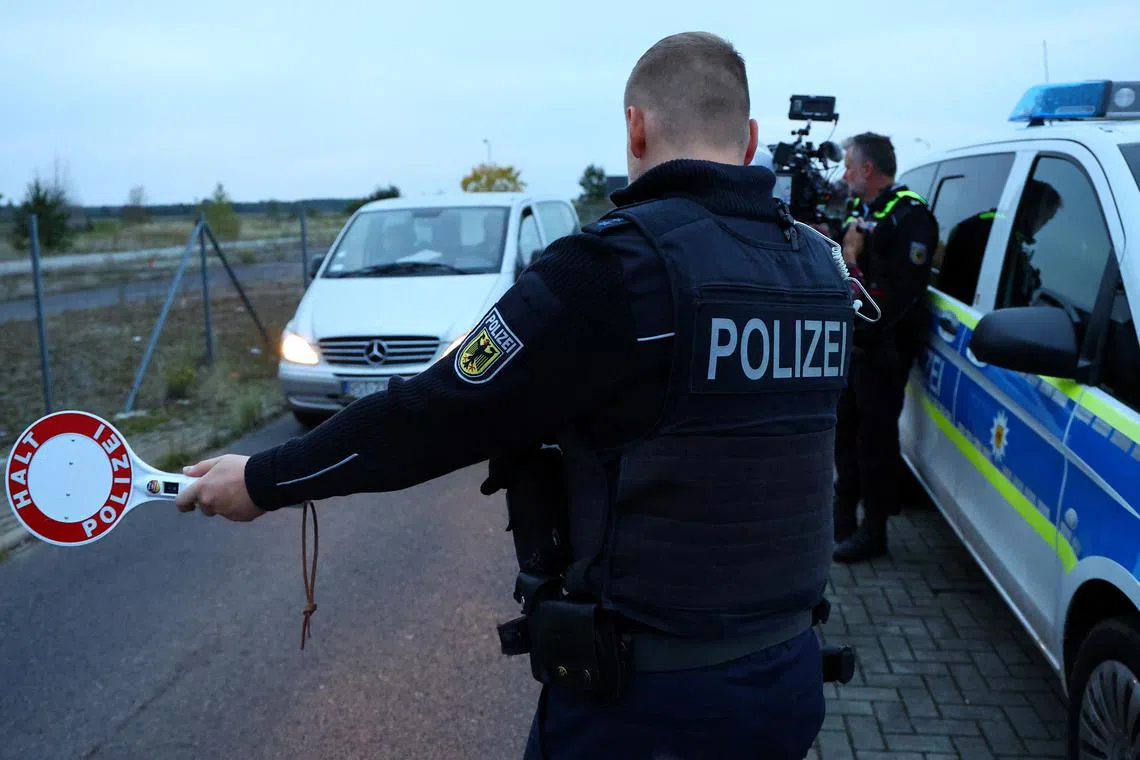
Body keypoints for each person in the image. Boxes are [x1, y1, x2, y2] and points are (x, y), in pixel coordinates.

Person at [175, 31, 855, 760]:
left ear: (635, 127)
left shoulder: (612, 268)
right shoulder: (820, 268)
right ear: (750, 139)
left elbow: (436, 414)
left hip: (649, 708)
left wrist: (264, 477)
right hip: (788, 685)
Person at [831, 132, 939, 564]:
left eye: (848, 166)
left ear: (868, 170)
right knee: (844, 434)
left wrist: (852, 256)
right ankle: (842, 520)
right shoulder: (863, 209)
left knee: (874, 442)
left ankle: (873, 532)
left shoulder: (911, 217)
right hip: (854, 347)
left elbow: (893, 298)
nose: (844, 174)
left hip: (883, 352)